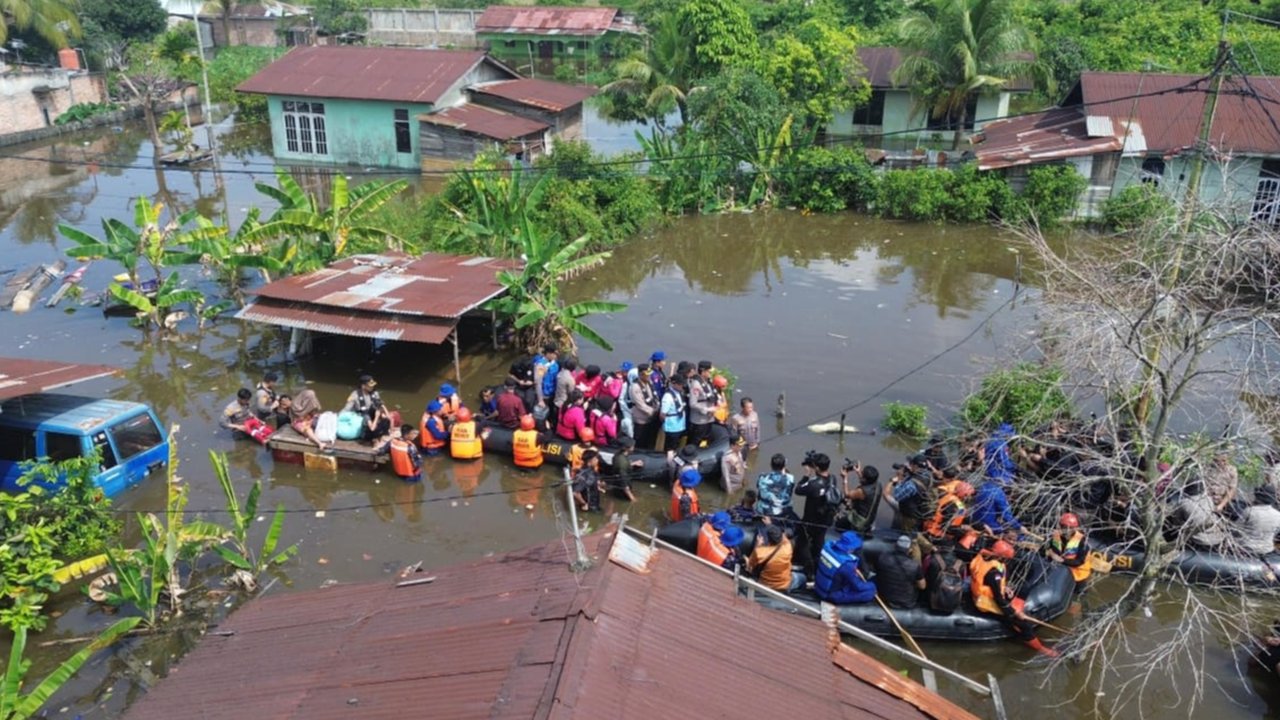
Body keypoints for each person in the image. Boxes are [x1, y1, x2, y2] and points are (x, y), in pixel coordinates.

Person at [970, 540, 1058, 657]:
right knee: (1023, 624)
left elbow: (990, 584)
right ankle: (1041, 649)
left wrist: (1004, 587)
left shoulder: (983, 558)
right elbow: (999, 600)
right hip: (986, 602)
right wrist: (1015, 613)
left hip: (983, 592)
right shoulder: (993, 573)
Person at [795, 453, 846, 579]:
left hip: (810, 521)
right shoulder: (832, 479)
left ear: (816, 468)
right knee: (819, 543)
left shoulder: (814, 484)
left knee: (803, 544)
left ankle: (809, 572)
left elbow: (798, 490)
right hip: (825, 521)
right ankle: (819, 568)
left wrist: (806, 475)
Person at [815, 531, 877, 604]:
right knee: (869, 593)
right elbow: (859, 586)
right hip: (830, 595)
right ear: (850, 548)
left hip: (818, 586)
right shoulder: (847, 564)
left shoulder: (827, 547)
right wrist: (872, 586)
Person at [875, 535, 927, 609]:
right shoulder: (915, 566)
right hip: (907, 602)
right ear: (910, 550)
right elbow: (922, 586)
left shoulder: (882, 558)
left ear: (895, 546)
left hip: (884, 598)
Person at [1173, 478, 1227, 550]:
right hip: (1216, 538)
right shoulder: (1208, 499)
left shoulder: (1183, 503)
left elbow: (1175, 523)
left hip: (1198, 540)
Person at [882, 457, 931, 532]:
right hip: (920, 510)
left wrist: (899, 478)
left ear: (915, 466)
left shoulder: (912, 484)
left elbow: (897, 496)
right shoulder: (927, 475)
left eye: (911, 464)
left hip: (910, 516)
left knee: (905, 535)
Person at [1044, 512, 1091, 591]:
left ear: (1075, 529)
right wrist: (1048, 553)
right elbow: (1046, 549)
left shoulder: (1082, 541)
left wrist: (1061, 560)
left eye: (1070, 528)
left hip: (1077, 575)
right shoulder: (1055, 536)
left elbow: (1079, 561)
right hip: (1060, 571)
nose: (1067, 530)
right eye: (1064, 527)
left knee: (1078, 593)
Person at [750, 524, 804, 592]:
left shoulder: (759, 552)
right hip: (784, 585)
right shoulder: (788, 547)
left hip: (764, 585)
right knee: (803, 577)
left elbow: (750, 566)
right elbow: (784, 538)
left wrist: (757, 545)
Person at [344, 374, 391, 442]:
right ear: (363, 386)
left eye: (373, 385)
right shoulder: (355, 395)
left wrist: (384, 413)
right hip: (362, 416)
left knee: (387, 417)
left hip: (373, 414)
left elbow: (379, 404)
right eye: (370, 386)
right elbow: (347, 408)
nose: (372, 387)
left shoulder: (375, 393)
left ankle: (382, 433)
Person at [1237, 486, 1280, 555]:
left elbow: (1236, 530)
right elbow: (1276, 533)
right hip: (1267, 550)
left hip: (1246, 549)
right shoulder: (1278, 515)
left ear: (1258, 497)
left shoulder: (1250, 511)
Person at [755, 453, 797, 523]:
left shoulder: (762, 477)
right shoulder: (790, 478)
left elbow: (758, 486)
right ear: (784, 466)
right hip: (783, 510)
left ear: (771, 465)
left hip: (764, 510)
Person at [841, 463, 880, 533]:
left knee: (839, 524)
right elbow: (866, 482)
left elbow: (847, 494)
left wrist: (845, 478)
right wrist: (858, 472)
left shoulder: (862, 492)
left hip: (860, 521)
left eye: (862, 473)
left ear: (865, 478)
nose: (860, 473)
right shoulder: (878, 485)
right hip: (870, 516)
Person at [629, 363, 659, 449]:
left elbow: (653, 396)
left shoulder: (649, 382)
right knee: (640, 440)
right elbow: (640, 404)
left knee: (649, 439)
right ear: (641, 375)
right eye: (647, 375)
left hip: (651, 416)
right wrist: (653, 412)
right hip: (641, 418)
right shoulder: (635, 387)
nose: (649, 376)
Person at [687, 360, 717, 445]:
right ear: (703, 371)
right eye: (709, 371)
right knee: (695, 442)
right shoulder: (696, 384)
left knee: (706, 440)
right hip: (699, 420)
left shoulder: (708, 382)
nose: (711, 373)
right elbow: (692, 403)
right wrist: (707, 409)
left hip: (709, 419)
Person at [607, 435, 641, 501]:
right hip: (621, 492)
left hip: (616, 485)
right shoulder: (622, 463)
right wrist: (632, 498)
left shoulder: (618, 455)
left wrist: (632, 464)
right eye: (632, 446)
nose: (634, 447)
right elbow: (624, 483)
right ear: (627, 448)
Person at [660, 375, 687, 452]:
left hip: (680, 424)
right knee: (671, 447)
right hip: (672, 426)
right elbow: (662, 414)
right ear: (674, 384)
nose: (682, 386)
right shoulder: (668, 396)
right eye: (680, 384)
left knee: (676, 445)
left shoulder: (679, 393)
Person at [532, 343, 559, 413]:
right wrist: (540, 400)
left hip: (553, 393)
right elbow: (538, 383)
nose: (555, 355)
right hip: (545, 396)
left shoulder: (553, 362)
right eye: (553, 353)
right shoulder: (541, 366)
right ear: (548, 353)